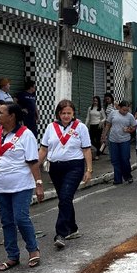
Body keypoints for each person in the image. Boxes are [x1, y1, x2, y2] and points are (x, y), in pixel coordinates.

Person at [0, 103, 43, 271]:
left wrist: (39, 184)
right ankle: (12, 255)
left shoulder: (26, 135)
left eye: (0, 113)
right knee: (6, 221)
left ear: (12, 116)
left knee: (21, 218)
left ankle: (33, 250)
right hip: (0, 186)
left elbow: (32, 161)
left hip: (21, 185)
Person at [38, 100, 91, 249]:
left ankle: (60, 233)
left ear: (73, 113)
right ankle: (72, 228)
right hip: (55, 167)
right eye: (63, 113)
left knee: (65, 197)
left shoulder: (80, 128)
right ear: (58, 114)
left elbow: (86, 149)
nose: (66, 116)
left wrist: (89, 170)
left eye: (69, 113)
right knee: (64, 199)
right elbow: (43, 149)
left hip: (74, 166)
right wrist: (35, 168)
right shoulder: (50, 127)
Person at [102, 101, 137, 185]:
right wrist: (104, 135)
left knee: (125, 159)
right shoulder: (113, 113)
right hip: (113, 140)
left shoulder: (130, 116)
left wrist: (129, 130)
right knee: (115, 160)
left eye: (127, 110)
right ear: (119, 108)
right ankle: (117, 179)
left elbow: (134, 127)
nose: (125, 112)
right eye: (124, 110)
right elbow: (108, 125)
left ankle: (128, 176)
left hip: (124, 140)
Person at [84, 96, 105, 161]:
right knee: (91, 139)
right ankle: (100, 148)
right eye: (94, 101)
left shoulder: (101, 109)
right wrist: (85, 125)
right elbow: (88, 117)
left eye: (96, 101)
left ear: (98, 101)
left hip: (98, 126)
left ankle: (97, 155)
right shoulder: (90, 108)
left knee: (98, 139)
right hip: (92, 125)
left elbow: (104, 117)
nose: (95, 102)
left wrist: (101, 122)